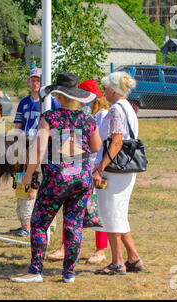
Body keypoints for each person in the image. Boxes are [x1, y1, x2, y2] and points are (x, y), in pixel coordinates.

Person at [10, 73, 102, 283]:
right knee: (73, 225)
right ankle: (69, 273)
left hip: (57, 178)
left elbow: (39, 148)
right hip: (82, 177)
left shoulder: (50, 118)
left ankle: (35, 270)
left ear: (58, 96)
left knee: (40, 223)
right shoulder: (87, 118)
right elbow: (96, 146)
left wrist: (28, 175)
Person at [46, 79, 109, 265]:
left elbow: (100, 145)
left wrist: (99, 169)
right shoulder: (84, 114)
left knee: (97, 210)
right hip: (77, 167)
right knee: (72, 209)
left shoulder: (101, 115)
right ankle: (66, 247)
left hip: (93, 168)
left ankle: (100, 250)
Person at [92, 71, 146, 275]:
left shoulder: (115, 109)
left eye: (106, 87)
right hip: (127, 168)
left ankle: (117, 262)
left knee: (110, 214)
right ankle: (134, 258)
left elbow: (116, 141)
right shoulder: (129, 107)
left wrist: (101, 167)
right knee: (119, 213)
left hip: (115, 168)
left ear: (113, 90)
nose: (104, 91)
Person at [11, 67, 60, 237]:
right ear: (29, 81)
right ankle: (25, 224)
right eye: (33, 79)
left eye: (38, 80)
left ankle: (48, 224)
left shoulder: (51, 102)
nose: (35, 83)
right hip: (25, 146)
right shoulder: (24, 102)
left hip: (45, 147)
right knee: (23, 181)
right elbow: (18, 125)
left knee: (43, 185)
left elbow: (58, 126)